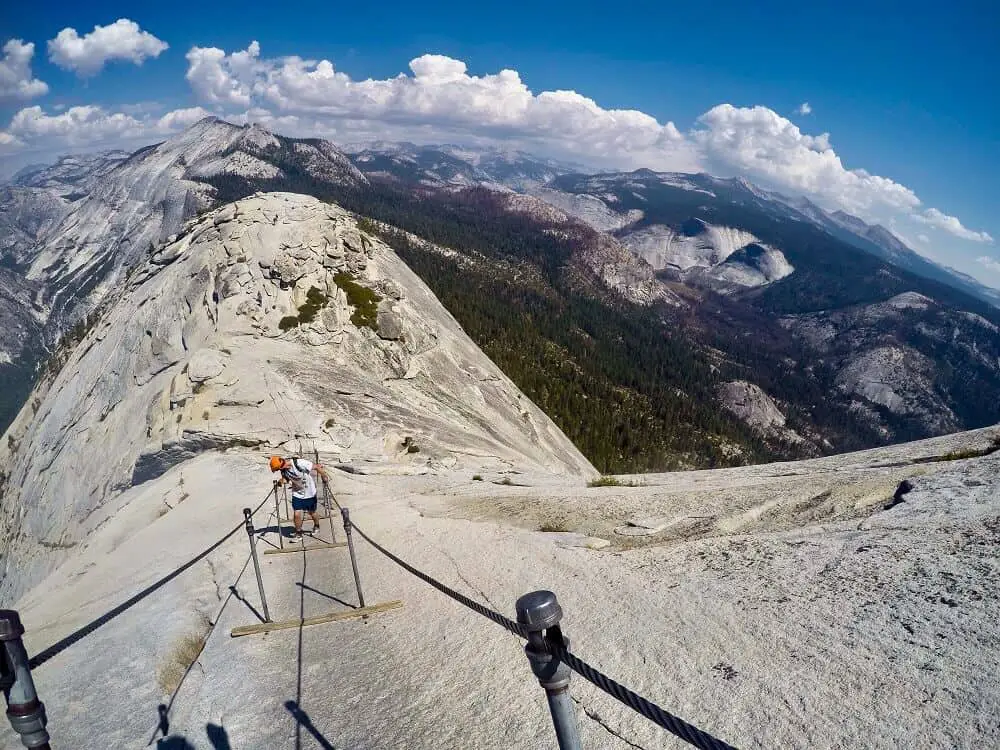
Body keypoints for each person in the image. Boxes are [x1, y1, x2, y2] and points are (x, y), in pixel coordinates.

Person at [269, 455, 329, 538]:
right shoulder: (283, 470)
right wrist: (281, 482)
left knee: (312, 512)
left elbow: (316, 467)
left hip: (309, 492)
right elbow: (286, 479)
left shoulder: (299, 463)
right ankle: (298, 533)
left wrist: (324, 476)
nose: (279, 470)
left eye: (278, 469)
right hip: (297, 493)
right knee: (296, 514)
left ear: (281, 465)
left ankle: (316, 525)